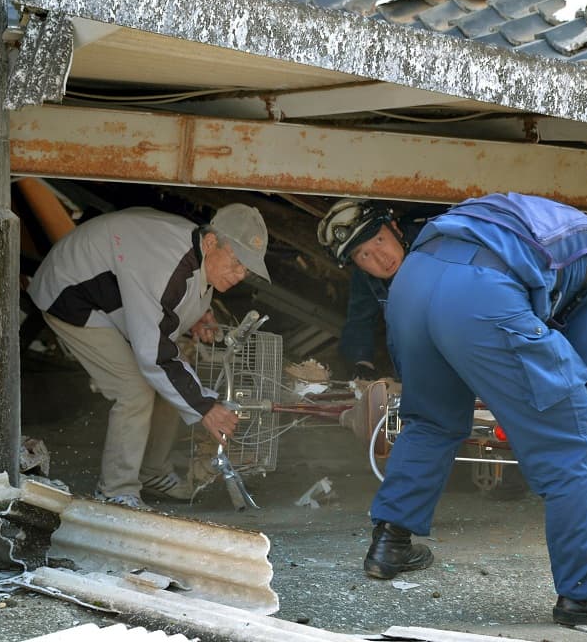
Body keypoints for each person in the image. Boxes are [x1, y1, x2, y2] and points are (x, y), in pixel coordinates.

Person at [362, 192, 587, 626]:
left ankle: (390, 545)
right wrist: (586, 418)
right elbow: (582, 363)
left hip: (415, 279)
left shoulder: (572, 234)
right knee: (575, 442)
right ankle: (586, 593)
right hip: (481, 290)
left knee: (431, 419)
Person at [28, 204, 270, 508]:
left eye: (246, 269)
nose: (239, 274)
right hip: (71, 291)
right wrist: (205, 406)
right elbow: (153, 352)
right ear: (211, 243)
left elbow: (168, 302)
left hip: (109, 291)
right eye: (236, 262)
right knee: (135, 389)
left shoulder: (196, 254)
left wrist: (195, 313)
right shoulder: (168, 263)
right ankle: (116, 491)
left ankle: (153, 472)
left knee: (176, 376)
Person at [316, 199, 427, 380]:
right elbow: (359, 322)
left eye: (379, 240)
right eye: (365, 254)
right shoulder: (366, 277)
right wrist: (361, 363)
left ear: (394, 228)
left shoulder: (437, 244)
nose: (380, 259)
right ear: (357, 264)